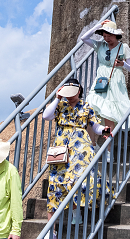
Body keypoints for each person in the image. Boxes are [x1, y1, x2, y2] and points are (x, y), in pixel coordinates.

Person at [42, 78, 112, 219]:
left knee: (81, 178)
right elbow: (46, 116)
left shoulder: (86, 106)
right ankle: (53, 230)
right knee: (57, 181)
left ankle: (76, 211)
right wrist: (57, 98)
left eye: (71, 92)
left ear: (79, 91)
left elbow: (95, 125)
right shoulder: (60, 105)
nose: (69, 95)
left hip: (81, 146)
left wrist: (103, 130)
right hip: (62, 147)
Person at [81, 20, 130, 136]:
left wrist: (123, 64)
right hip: (101, 81)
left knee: (109, 113)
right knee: (91, 109)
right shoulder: (100, 45)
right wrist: (98, 26)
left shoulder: (123, 47)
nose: (106, 38)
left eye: (109, 35)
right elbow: (84, 38)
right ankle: (93, 144)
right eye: (104, 36)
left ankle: (109, 149)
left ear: (116, 35)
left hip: (116, 81)